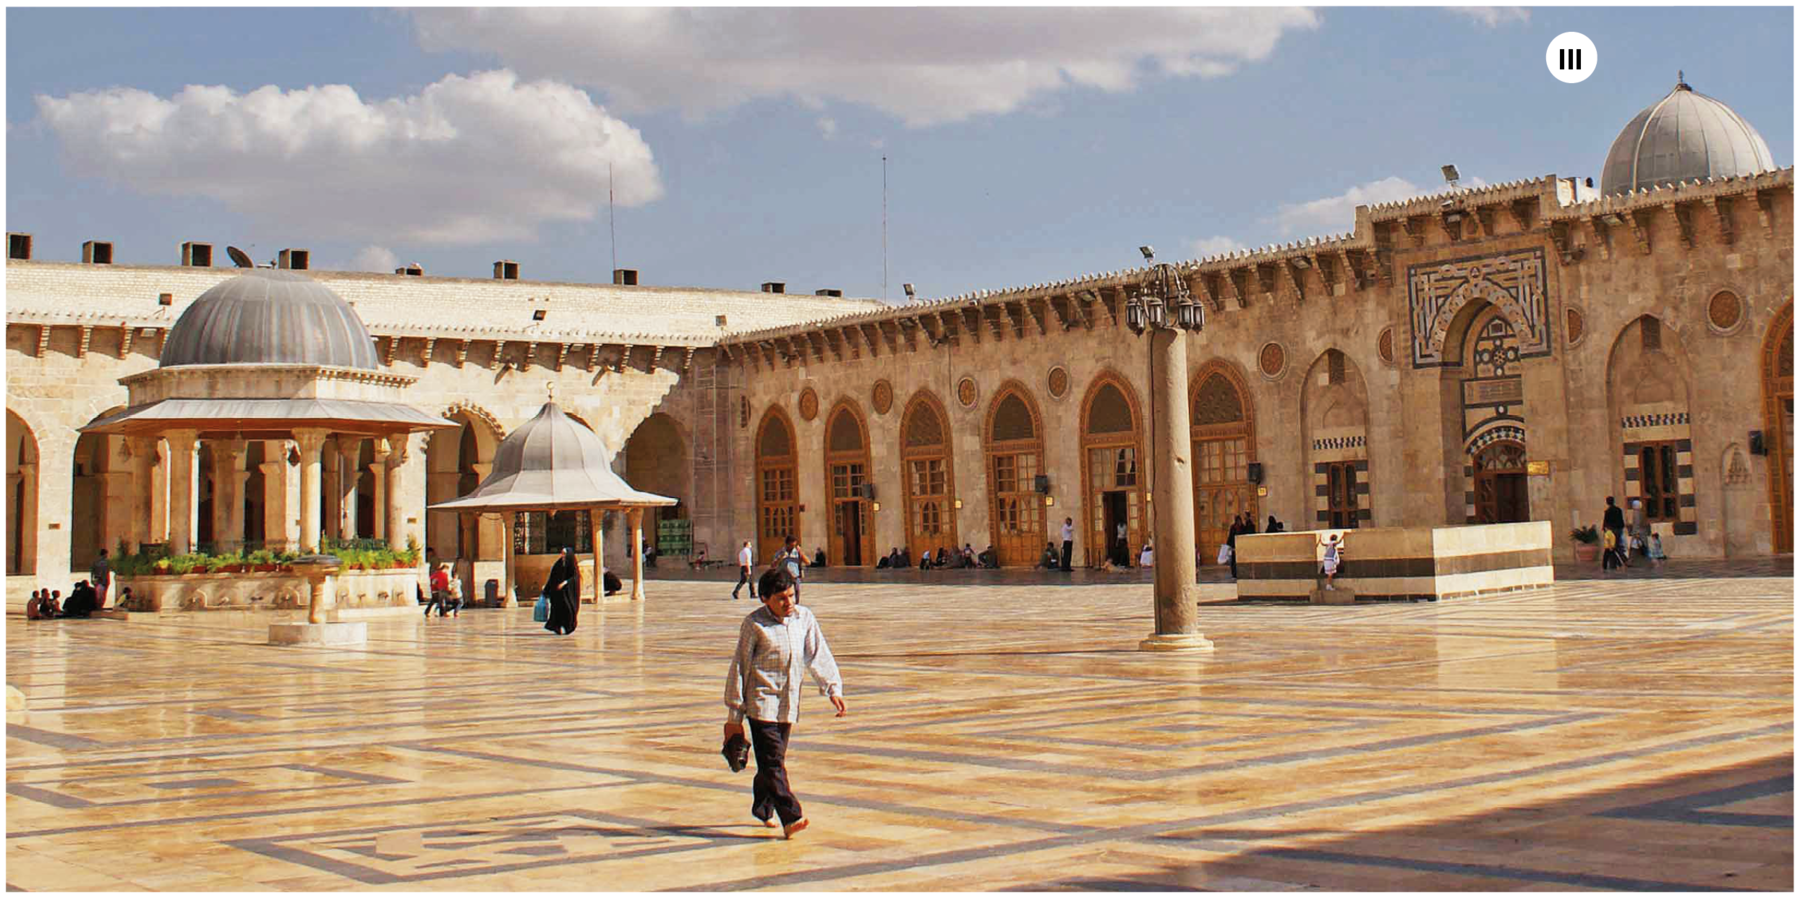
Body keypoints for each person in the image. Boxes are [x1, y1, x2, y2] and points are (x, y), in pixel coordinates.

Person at [723, 567, 846, 840]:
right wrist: (735, 713)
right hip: (761, 702)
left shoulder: (804, 618)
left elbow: (817, 653)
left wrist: (832, 688)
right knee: (773, 762)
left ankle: (762, 807)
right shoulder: (754, 624)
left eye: (791, 595)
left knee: (772, 762)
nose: (788, 602)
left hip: (788, 703)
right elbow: (740, 667)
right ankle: (791, 816)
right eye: (781, 598)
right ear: (765, 598)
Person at [543, 546, 581, 635]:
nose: (562, 555)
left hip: (568, 593)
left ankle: (568, 627)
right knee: (557, 610)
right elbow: (552, 577)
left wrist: (565, 583)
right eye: (562, 553)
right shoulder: (558, 564)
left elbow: (575, 577)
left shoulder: (572, 564)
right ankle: (557, 627)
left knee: (569, 609)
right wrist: (547, 588)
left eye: (564, 553)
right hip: (558, 593)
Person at [1602, 496, 1627, 568]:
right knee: (1614, 546)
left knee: (1613, 546)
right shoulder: (1618, 509)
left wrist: (1604, 529)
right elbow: (1621, 520)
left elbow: (1605, 521)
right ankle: (1614, 564)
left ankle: (1624, 560)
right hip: (1619, 529)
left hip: (1612, 530)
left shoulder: (1608, 511)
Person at [1227, 515, 1244, 579]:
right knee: (1233, 561)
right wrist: (1229, 545)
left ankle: (1240, 573)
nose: (1239, 522)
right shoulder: (1233, 527)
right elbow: (1230, 536)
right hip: (1234, 546)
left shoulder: (1242, 527)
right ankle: (1234, 574)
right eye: (1238, 520)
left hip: (1240, 546)